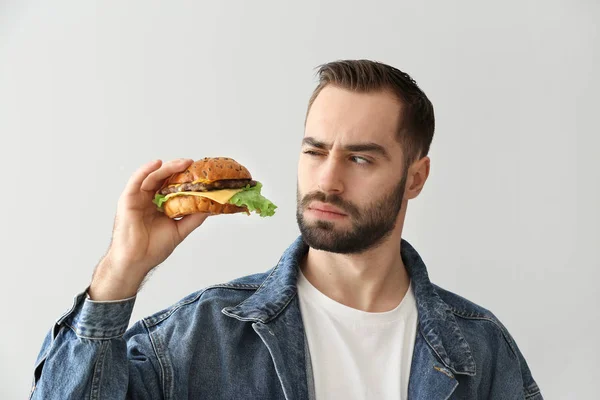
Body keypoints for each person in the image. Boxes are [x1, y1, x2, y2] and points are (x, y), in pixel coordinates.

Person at [30, 60, 543, 400]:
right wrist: (121, 271)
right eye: (315, 151)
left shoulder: (481, 350)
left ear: (415, 178)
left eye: (361, 158)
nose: (328, 180)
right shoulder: (202, 336)